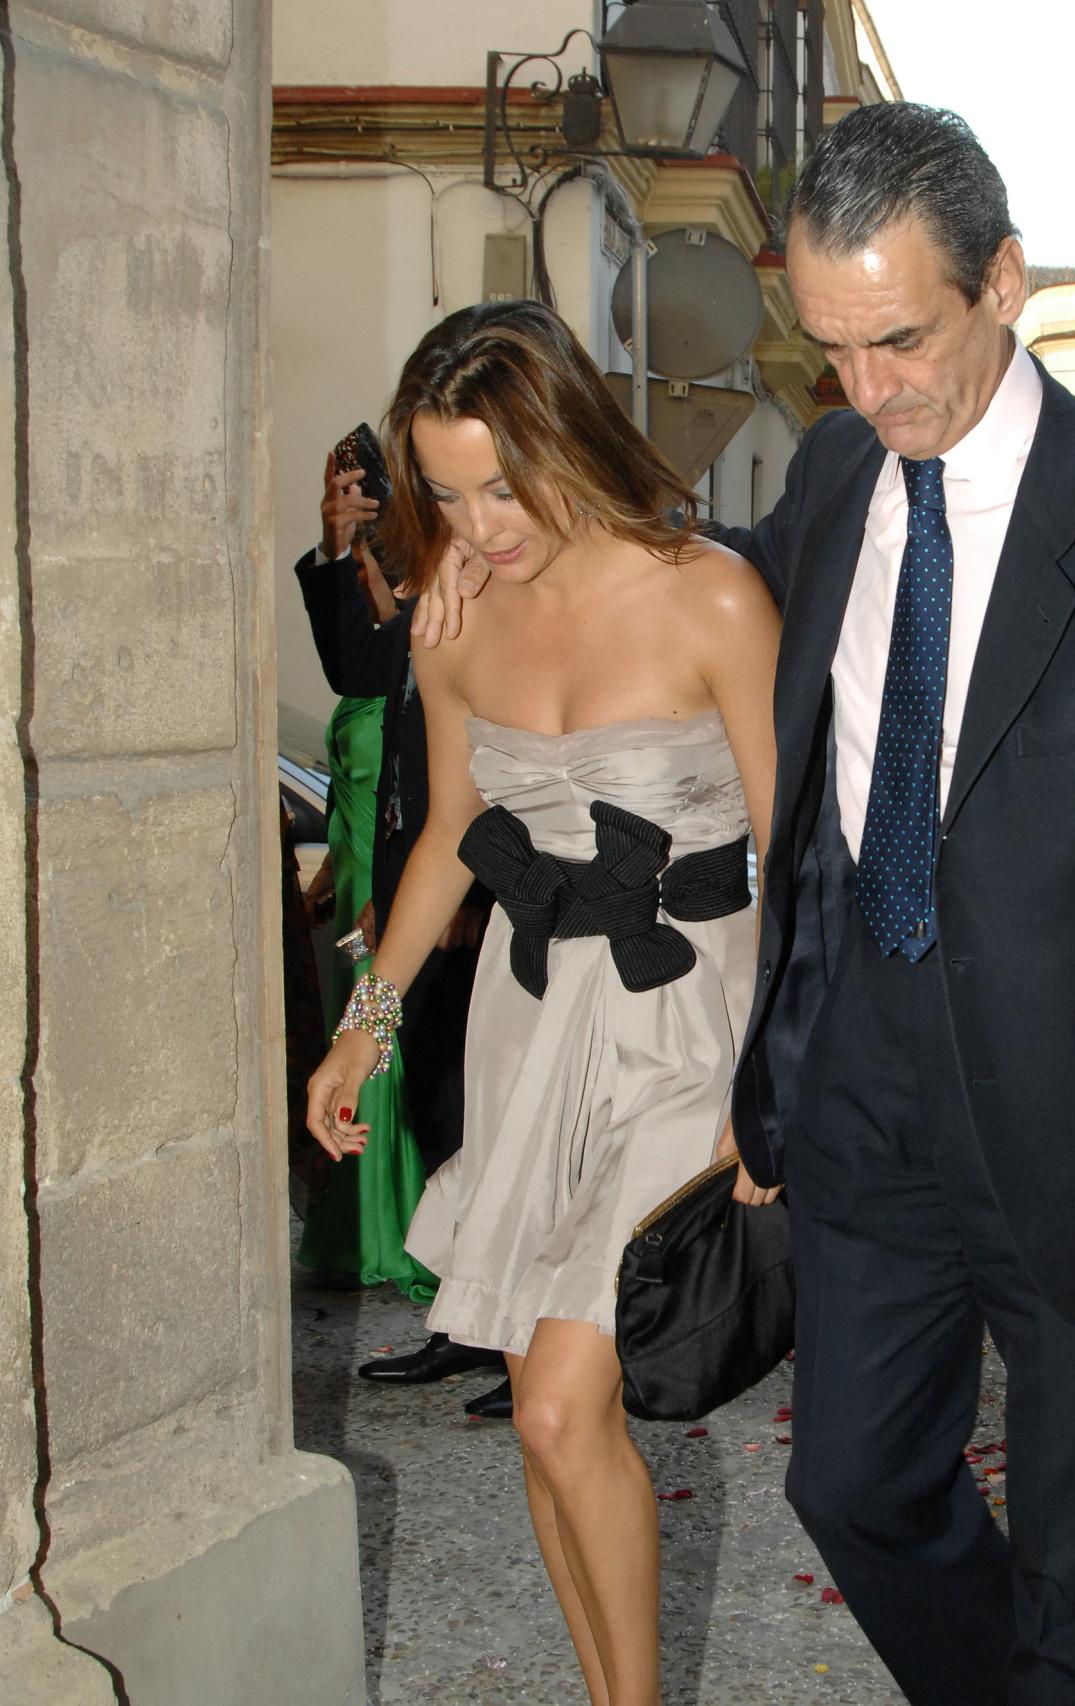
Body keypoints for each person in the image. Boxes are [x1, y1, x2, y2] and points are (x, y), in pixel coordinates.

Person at [423, 101, 1075, 1706]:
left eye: (899, 340)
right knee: (852, 1483)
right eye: (832, 349)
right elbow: (683, 588)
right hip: (861, 1102)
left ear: (1004, 283)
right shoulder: (833, 475)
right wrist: (515, 544)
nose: (869, 390)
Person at [305, 299, 780, 1706]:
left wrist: (789, 1074)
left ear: (566, 435)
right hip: (530, 1016)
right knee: (534, 1417)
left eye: (500, 486)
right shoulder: (454, 620)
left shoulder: (711, 593)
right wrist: (364, 1024)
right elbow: (456, 826)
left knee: (571, 1401)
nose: (478, 524)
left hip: (689, 1017)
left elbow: (795, 837)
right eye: (444, 492)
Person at [295, 451, 506, 1408]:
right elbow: (358, 670)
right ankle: (471, 1322)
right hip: (417, 900)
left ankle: (526, 1338)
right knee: (434, 1111)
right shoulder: (433, 617)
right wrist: (337, 544)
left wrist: (470, 892)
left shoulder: (507, 601)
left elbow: (496, 789)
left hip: (496, 917)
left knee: (480, 1119)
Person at [294, 516, 441, 1306]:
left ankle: (418, 1247)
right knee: (368, 1058)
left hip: (409, 902)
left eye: (365, 575)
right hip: (374, 897)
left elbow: (439, 820)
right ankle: (376, 1233)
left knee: (413, 1073)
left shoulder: (435, 653)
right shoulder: (386, 666)